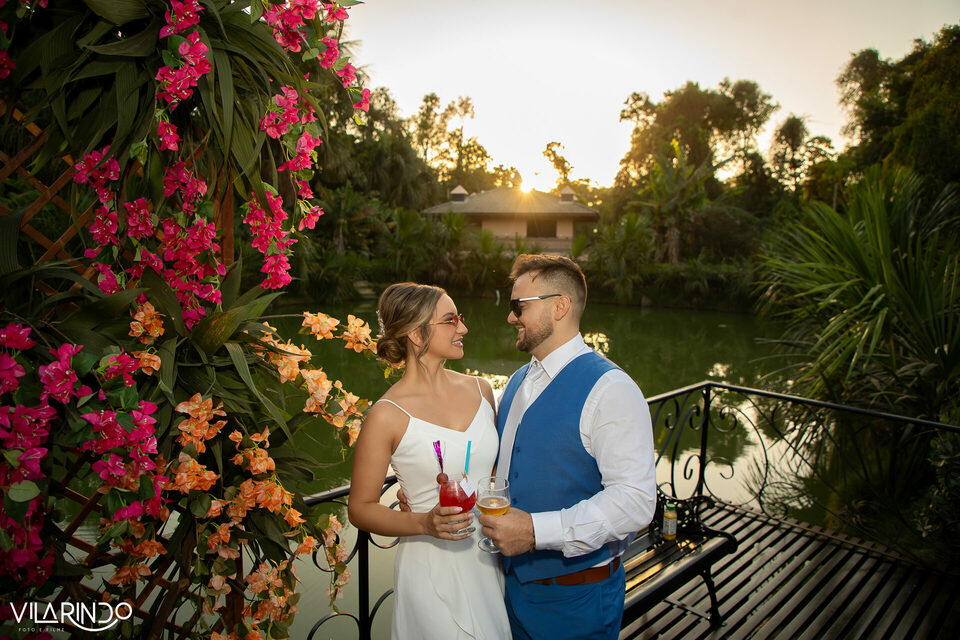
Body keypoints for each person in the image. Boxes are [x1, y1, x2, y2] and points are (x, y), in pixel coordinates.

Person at [478, 254, 657, 640]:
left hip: (577, 604)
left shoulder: (612, 389)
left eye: (518, 307)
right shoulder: (518, 380)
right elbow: (506, 469)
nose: (510, 318)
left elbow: (636, 500)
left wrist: (535, 531)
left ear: (560, 306)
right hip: (508, 591)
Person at [347, 282, 512, 640]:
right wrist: (424, 523)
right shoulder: (385, 416)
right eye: (450, 320)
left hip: (487, 557)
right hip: (429, 567)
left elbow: (492, 474)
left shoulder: (482, 390)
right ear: (415, 332)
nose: (463, 328)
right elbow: (359, 508)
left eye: (460, 319)